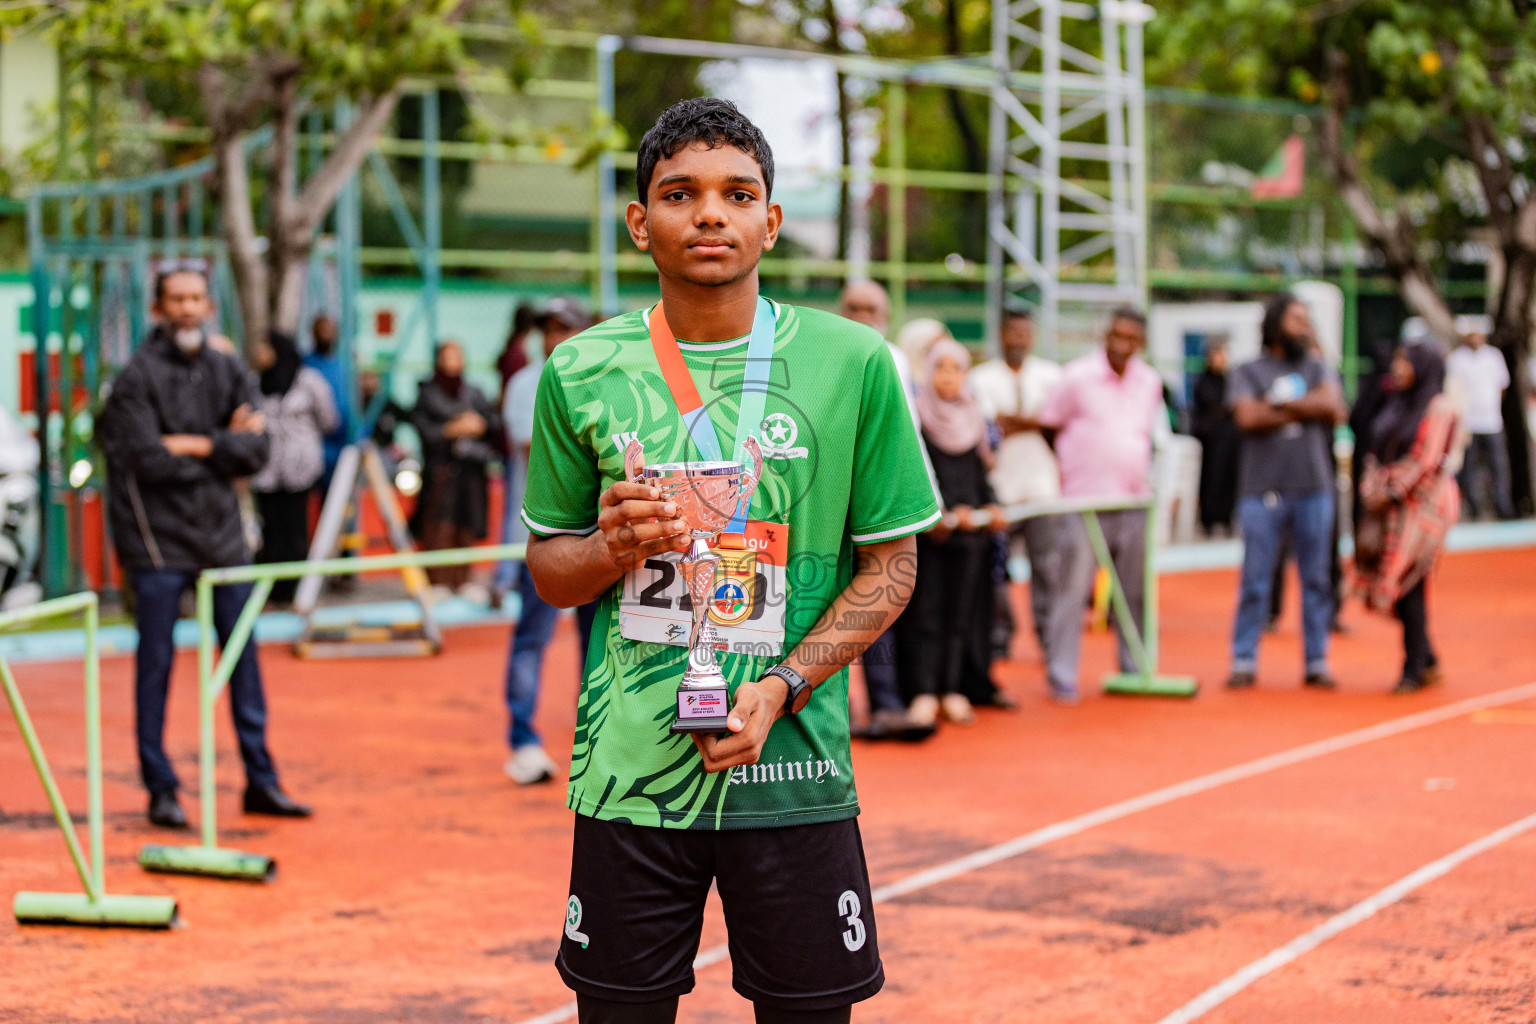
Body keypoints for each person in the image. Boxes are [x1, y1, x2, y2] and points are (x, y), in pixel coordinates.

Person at [521, 97, 939, 1024]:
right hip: (629, 773)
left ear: (770, 220)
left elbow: (893, 569)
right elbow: (549, 570)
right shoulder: (581, 371)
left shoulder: (855, 363)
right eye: (680, 193)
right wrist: (608, 546)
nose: (710, 213)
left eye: (736, 192)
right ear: (641, 222)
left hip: (792, 772)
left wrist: (781, 685)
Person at [98, 265, 310, 828]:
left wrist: (193, 444)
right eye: (177, 299)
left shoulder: (227, 368)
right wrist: (223, 449)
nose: (188, 308)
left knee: (243, 661)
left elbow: (258, 451)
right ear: (158, 308)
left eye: (196, 298)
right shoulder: (135, 379)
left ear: (209, 306)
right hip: (157, 544)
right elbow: (147, 459)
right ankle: (160, 789)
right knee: (156, 666)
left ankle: (261, 782)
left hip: (222, 539)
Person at [1037, 308, 1165, 704]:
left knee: (1134, 593)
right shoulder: (1076, 377)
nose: (1122, 345)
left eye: (1131, 338)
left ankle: (1136, 667)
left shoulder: (1150, 382)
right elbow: (1048, 425)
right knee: (1071, 589)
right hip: (1083, 501)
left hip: (1132, 499)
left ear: (1140, 343)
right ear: (1105, 335)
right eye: (1116, 335)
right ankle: (1062, 675)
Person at [1225, 293, 1347, 690]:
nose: (1305, 326)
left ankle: (1316, 659)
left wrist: (1276, 407)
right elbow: (1247, 416)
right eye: (1297, 319)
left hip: (1314, 487)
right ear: (1276, 324)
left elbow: (1334, 406)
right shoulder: (1247, 370)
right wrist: (1304, 406)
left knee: (1317, 579)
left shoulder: (1318, 366)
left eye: (1307, 319)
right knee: (1256, 579)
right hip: (1260, 490)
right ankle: (1243, 658)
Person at [501, 297, 599, 785]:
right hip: (540, 537)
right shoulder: (527, 384)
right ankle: (522, 739)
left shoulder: (602, 377)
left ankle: (595, 735)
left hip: (597, 539)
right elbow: (540, 453)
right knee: (531, 638)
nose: (553, 337)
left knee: (597, 639)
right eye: (548, 329)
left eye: (564, 328)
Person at [837, 280, 937, 742]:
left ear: (887, 313)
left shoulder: (892, 359)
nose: (861, 314)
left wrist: (927, 501)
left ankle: (887, 704)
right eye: (852, 306)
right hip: (824, 502)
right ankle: (833, 706)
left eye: (870, 307)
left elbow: (909, 437)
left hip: (876, 506)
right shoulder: (819, 354)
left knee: (876, 602)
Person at [898, 340, 1006, 727]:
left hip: (971, 538)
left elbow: (980, 476)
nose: (948, 376)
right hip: (932, 538)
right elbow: (915, 476)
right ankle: (924, 692)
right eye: (940, 367)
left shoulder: (973, 418)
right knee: (924, 616)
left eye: (956, 368)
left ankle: (952, 689)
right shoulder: (918, 420)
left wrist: (991, 506)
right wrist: (939, 514)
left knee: (962, 617)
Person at [1355, 344, 1461, 694]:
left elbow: (1429, 461)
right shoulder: (1395, 402)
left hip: (1424, 509)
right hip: (1389, 508)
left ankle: (1413, 667)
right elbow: (1372, 447)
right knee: (1392, 587)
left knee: (1409, 583)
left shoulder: (1441, 408)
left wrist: (1391, 491)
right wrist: (1372, 487)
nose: (1397, 368)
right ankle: (1425, 657)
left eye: (1404, 361)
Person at [968, 306, 1062, 663]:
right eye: (1013, 332)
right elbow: (993, 426)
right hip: (1000, 489)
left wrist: (1016, 420)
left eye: (1025, 332)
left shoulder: (1050, 375)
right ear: (1002, 334)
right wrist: (1037, 421)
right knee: (996, 571)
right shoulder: (981, 378)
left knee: (1047, 568)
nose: (1019, 339)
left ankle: (1049, 637)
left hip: (1043, 490)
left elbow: (1054, 423)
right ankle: (1000, 636)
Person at [250, 329, 338, 605]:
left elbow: (329, 419)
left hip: (299, 468)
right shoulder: (255, 383)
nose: (260, 355)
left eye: (265, 349)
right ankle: (270, 589)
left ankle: (296, 590)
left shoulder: (308, 381)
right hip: (265, 469)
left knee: (295, 529)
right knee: (270, 529)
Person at [410, 339, 504, 597]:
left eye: (457, 355)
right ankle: (438, 581)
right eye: (447, 355)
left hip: (471, 473)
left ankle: (463, 580)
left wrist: (479, 425)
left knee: (467, 524)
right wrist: (451, 429)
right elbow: (423, 427)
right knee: (439, 525)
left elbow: (493, 423)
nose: (453, 360)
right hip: (440, 472)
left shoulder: (473, 392)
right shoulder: (428, 393)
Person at [491, 302, 545, 605]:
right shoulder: (519, 359)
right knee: (518, 511)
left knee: (515, 511)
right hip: (520, 444)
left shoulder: (512, 351)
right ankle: (505, 577)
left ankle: (505, 577)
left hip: (512, 437)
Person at [1446, 327, 1514, 520]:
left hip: (1492, 422)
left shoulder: (1494, 356)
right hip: (1468, 424)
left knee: (1498, 466)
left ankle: (1503, 507)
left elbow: (1503, 387)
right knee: (1467, 469)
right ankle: (1473, 508)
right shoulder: (1457, 359)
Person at [1190, 337, 1241, 535]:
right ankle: (1209, 519)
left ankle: (1227, 517)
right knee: (1211, 478)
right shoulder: (1204, 381)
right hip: (1212, 439)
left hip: (1229, 438)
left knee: (1229, 477)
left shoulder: (1230, 380)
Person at [303, 314, 352, 493]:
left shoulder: (343, 367)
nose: (326, 334)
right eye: (321, 330)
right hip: (311, 447)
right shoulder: (305, 366)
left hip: (340, 447)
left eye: (329, 330)